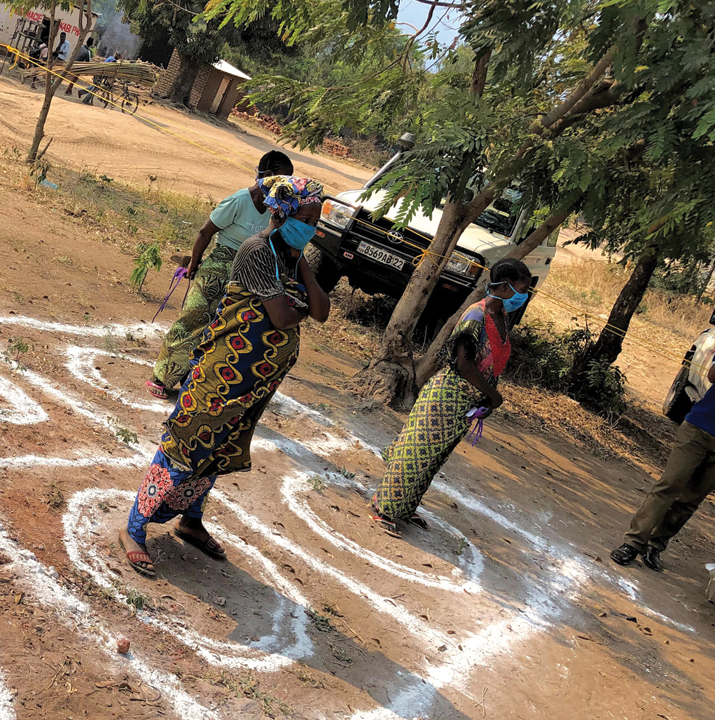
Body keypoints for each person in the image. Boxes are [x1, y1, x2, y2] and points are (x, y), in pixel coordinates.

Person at [119, 176, 330, 575]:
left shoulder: (290, 256)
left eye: (315, 222)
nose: (311, 229)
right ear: (281, 215)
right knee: (184, 447)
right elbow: (285, 316)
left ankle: (191, 521)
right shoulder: (256, 251)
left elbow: (321, 309)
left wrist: (301, 269)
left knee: (219, 451)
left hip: (253, 382)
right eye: (305, 219)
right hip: (220, 375)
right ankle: (134, 528)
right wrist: (296, 304)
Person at [370, 259, 532, 537]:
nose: (524, 295)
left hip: (467, 402)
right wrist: (493, 395)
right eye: (521, 289)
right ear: (505, 287)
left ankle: (404, 508)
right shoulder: (476, 316)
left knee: (434, 458)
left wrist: (486, 399)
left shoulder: (502, 317)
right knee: (416, 453)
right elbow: (464, 363)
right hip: (447, 396)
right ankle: (383, 507)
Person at [146, 151, 294, 398]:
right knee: (193, 319)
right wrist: (194, 263)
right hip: (219, 268)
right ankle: (162, 377)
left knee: (222, 329)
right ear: (267, 176)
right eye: (284, 179)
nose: (288, 185)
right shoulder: (239, 201)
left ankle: (191, 379)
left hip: (248, 273)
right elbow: (206, 232)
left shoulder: (276, 210)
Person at [611, 338, 715, 570]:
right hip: (699, 428)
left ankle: (656, 546)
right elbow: (714, 376)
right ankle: (633, 543)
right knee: (670, 485)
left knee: (690, 500)